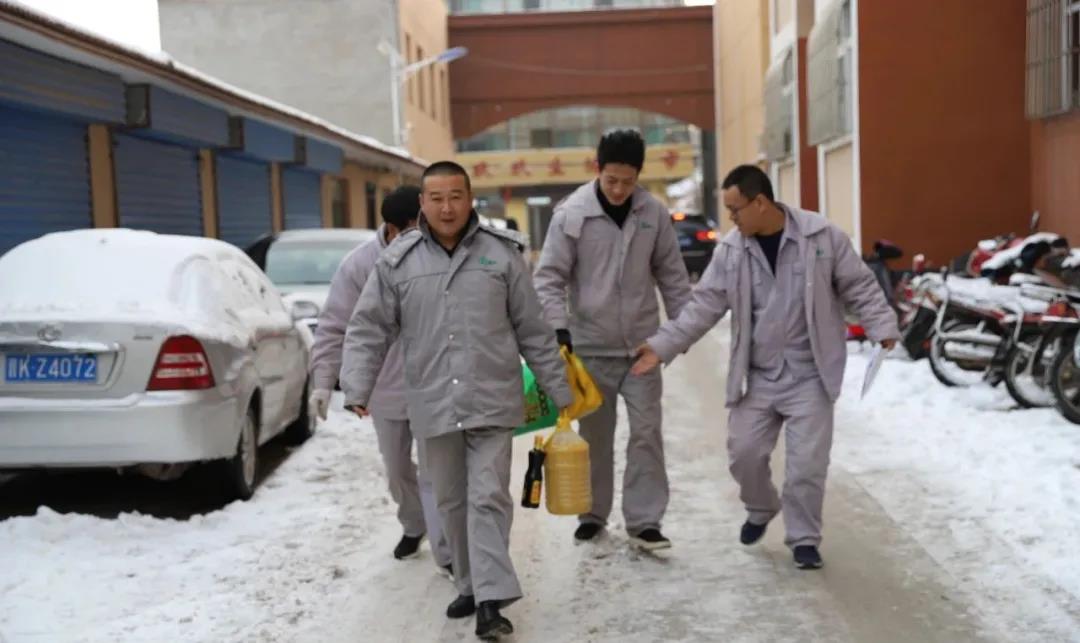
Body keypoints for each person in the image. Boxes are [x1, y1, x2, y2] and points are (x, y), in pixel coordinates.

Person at [340, 161, 572, 639]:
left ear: (470, 200)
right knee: (450, 501)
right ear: (423, 203)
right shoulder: (397, 262)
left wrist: (558, 386)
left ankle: (490, 600)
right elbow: (368, 329)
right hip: (431, 400)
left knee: (487, 496)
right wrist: (357, 386)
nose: (447, 207)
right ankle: (468, 583)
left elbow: (533, 328)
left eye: (456, 197)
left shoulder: (502, 256)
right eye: (436, 198)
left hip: (492, 398)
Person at [631, 164, 899, 570]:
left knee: (807, 465)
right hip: (757, 376)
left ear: (760, 202)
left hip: (810, 373)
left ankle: (804, 538)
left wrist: (882, 326)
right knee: (744, 455)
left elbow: (859, 285)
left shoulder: (821, 237)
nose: (732, 219)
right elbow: (702, 306)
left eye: (736, 209)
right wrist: (662, 346)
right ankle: (761, 507)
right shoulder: (731, 251)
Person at [533, 128, 692, 551]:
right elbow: (548, 277)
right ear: (597, 170)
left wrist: (678, 334)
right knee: (596, 438)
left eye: (628, 181)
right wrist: (558, 327)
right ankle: (592, 514)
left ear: (639, 175)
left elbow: (673, 277)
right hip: (589, 349)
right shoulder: (572, 214)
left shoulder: (653, 214)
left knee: (646, 433)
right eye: (611, 180)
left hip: (641, 349)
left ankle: (644, 521)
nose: (620, 190)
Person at [307, 186, 451, 571]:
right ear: (389, 228)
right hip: (386, 390)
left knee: (436, 475)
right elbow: (335, 325)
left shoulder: (439, 255)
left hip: (435, 386)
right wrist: (324, 381)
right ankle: (413, 524)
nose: (414, 238)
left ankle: (447, 552)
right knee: (398, 470)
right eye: (406, 231)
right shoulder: (359, 266)